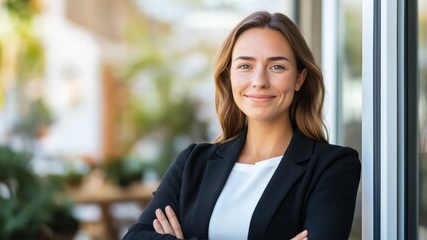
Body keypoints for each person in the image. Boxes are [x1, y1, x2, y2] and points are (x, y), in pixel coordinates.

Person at [123, 11, 360, 240]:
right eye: (245, 66)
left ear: (299, 78)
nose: (259, 81)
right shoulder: (193, 163)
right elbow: (135, 236)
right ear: (229, 77)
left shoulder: (332, 167)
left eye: (277, 66)